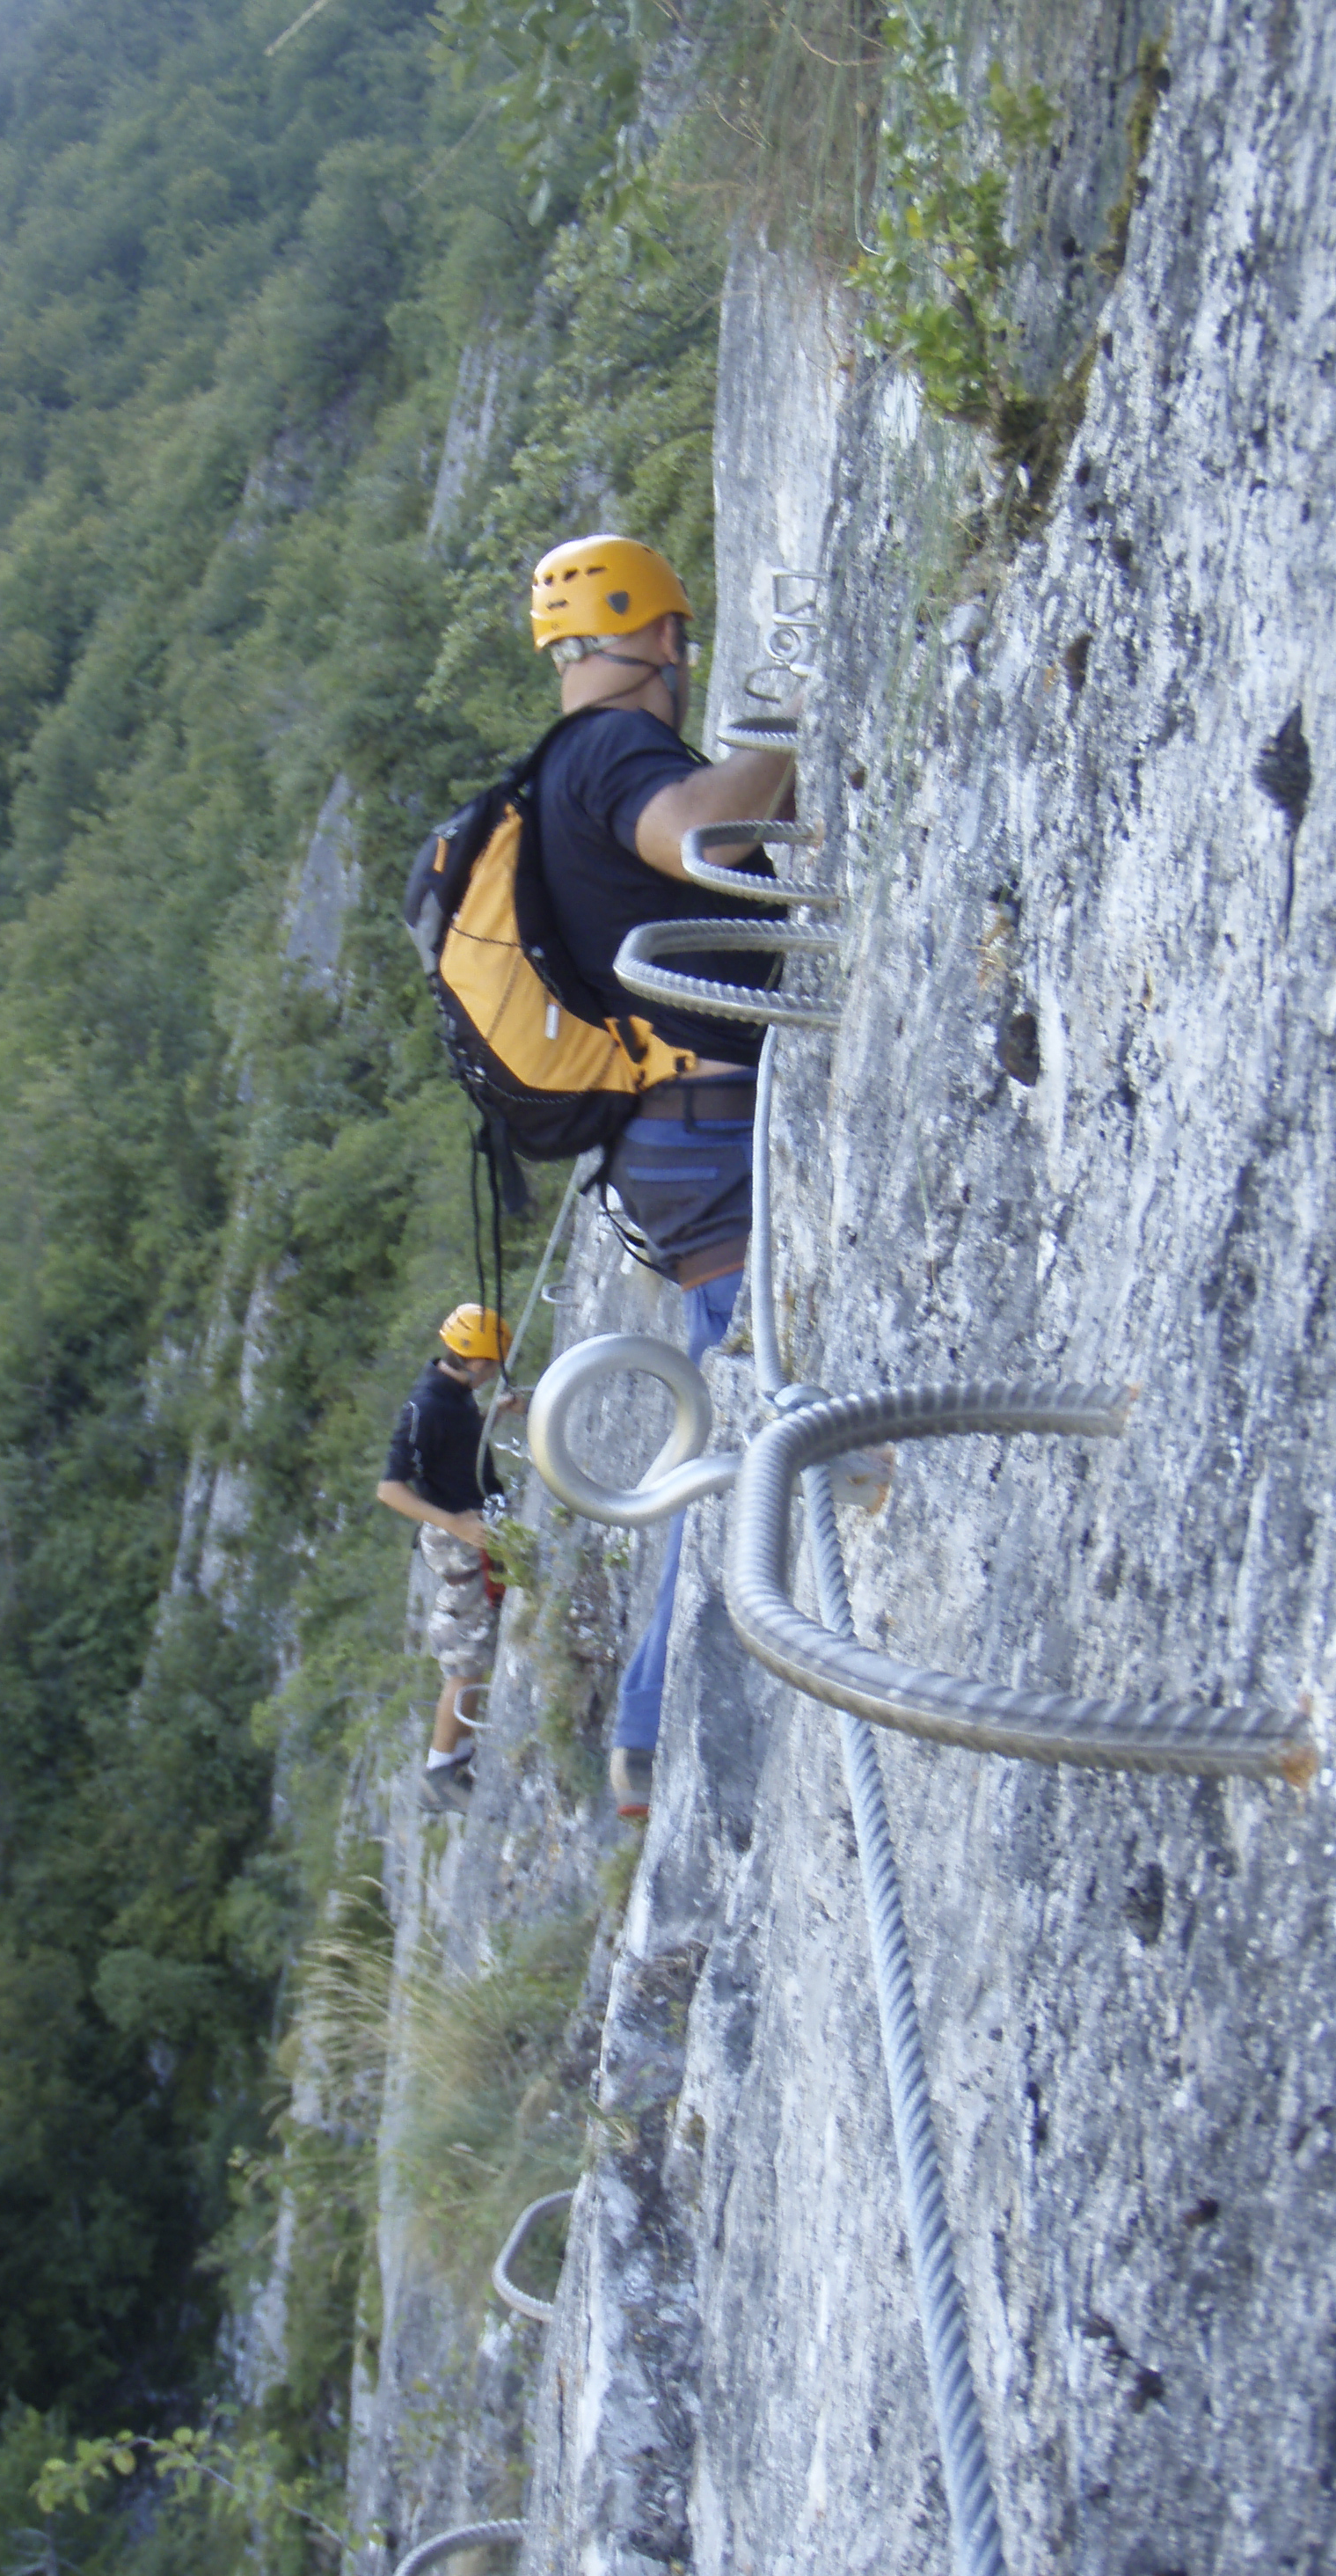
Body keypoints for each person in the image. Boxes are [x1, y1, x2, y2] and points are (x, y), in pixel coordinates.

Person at [528, 532, 801, 1818]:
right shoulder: (613, 755)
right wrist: (787, 740)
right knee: (752, 1416)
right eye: (679, 640)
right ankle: (662, 1731)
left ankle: (648, 1725)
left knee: (729, 1406)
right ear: (655, 636)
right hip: (702, 1121)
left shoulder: (557, 772)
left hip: (668, 1135)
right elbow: (704, 836)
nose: (687, 665)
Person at [376, 1303, 520, 1811]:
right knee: (465, 1658)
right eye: (492, 1366)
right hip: (459, 1534)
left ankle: (458, 1755)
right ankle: (440, 1770)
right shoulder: (426, 1407)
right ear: (477, 1362)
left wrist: (493, 1415)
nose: (491, 1374)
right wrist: (455, 1522)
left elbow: (456, 1448)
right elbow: (390, 1489)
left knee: (475, 1652)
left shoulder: (453, 1395)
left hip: (471, 1524)